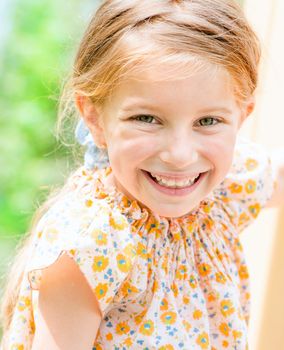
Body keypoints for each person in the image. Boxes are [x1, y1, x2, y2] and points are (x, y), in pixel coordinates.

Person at [1, 0, 284, 349]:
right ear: (94, 118)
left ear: (242, 116)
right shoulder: (92, 244)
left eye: (208, 121)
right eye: (146, 119)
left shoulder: (223, 185)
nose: (180, 155)